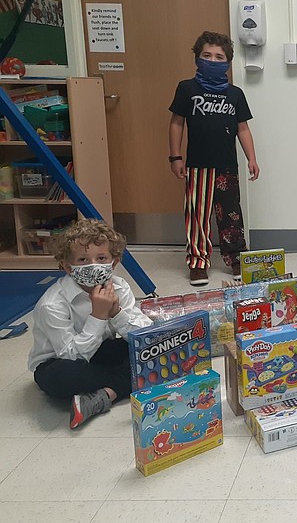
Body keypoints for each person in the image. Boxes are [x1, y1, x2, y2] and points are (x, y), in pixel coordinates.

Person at [27, 219, 153, 429]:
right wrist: (99, 316)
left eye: (101, 258)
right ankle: (133, 379)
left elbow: (146, 335)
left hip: (102, 352)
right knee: (62, 377)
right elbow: (70, 356)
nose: (93, 265)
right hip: (59, 362)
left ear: (113, 262)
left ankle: (105, 395)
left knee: (149, 349)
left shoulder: (119, 287)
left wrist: (117, 313)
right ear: (67, 266)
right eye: (83, 259)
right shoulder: (52, 304)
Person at [168, 30, 260, 286]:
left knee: (231, 214)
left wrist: (251, 158)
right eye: (207, 55)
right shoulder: (186, 89)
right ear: (197, 58)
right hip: (197, 166)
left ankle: (235, 257)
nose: (213, 60)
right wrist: (175, 157)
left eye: (219, 57)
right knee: (198, 214)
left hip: (227, 165)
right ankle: (198, 262)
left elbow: (243, 128)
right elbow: (177, 123)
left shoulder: (235, 94)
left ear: (228, 63)